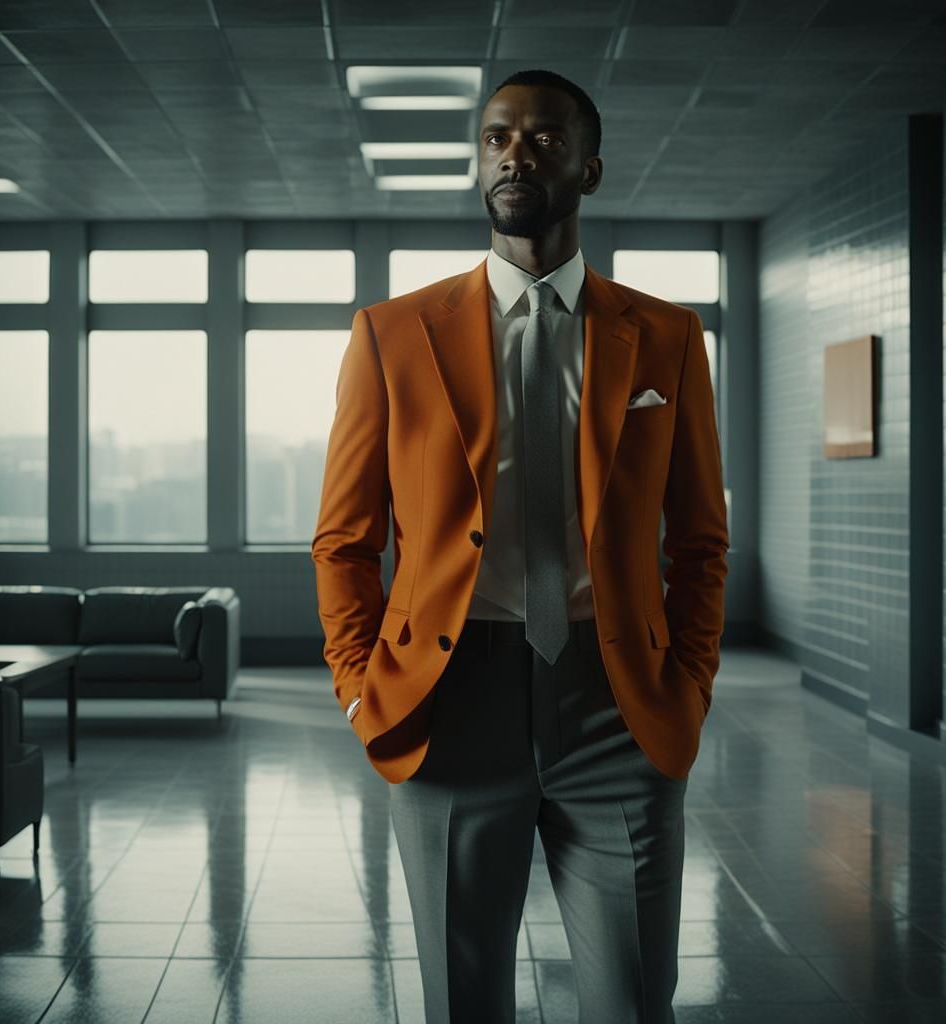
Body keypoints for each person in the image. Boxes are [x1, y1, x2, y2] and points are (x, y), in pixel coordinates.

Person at [312, 67, 729, 1024]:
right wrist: (355, 686)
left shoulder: (665, 337)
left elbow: (701, 541)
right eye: (497, 137)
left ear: (589, 170)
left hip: (616, 704)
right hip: (448, 703)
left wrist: (690, 685)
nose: (515, 154)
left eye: (543, 138)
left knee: (634, 1003)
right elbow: (343, 540)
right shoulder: (391, 335)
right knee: (461, 1004)